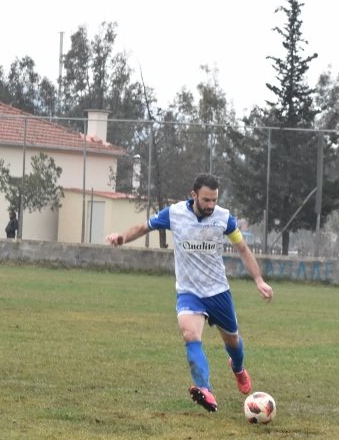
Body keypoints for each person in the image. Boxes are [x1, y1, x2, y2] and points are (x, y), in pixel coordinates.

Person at [106, 173, 273, 412]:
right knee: (190, 334)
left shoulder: (224, 219)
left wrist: (259, 280)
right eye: (206, 200)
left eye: (214, 200)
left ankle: (237, 368)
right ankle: (205, 389)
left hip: (218, 292)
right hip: (189, 292)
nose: (211, 205)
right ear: (193, 194)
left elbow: (243, 249)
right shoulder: (174, 214)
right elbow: (144, 227)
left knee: (233, 342)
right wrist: (122, 238)